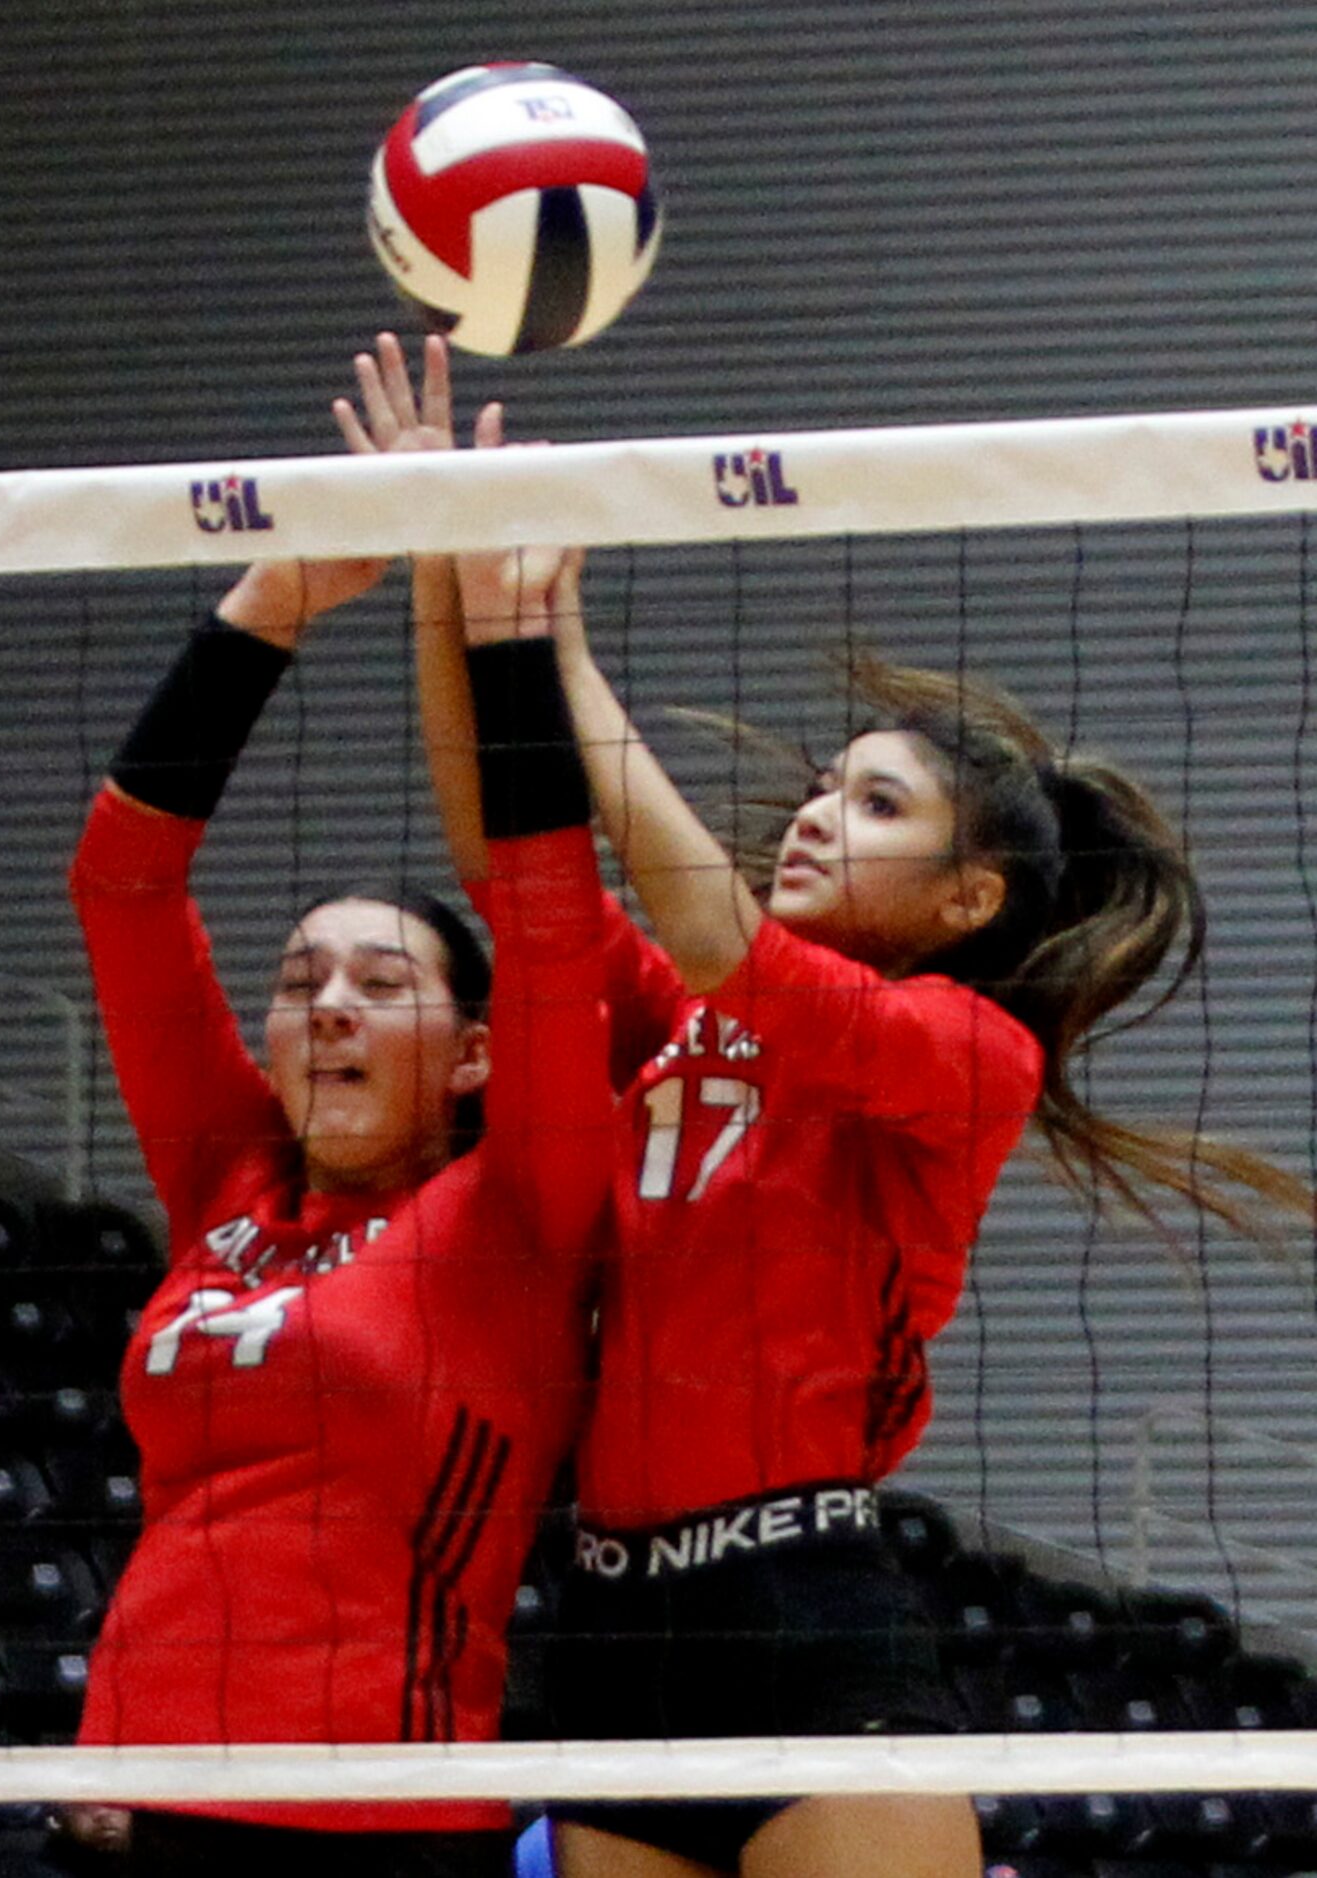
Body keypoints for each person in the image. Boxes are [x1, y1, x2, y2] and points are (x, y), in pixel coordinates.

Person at [381, 332, 1313, 1878]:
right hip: (614, 1616)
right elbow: (505, 857)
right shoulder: (683, 1018)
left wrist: (556, 651)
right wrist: (442, 578)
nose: (815, 805)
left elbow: (725, 942)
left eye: (876, 802)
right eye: (825, 778)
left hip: (803, 1604)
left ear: (968, 899)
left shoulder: (963, 1055)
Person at [65, 399, 615, 1876]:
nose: (327, 1008)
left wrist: (504, 637)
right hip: (153, 1802)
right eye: (299, 981)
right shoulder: (227, 1180)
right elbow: (122, 880)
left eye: (382, 984)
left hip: (373, 1820)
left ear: (476, 1052)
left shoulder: (519, 1208)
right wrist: (281, 592)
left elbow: (555, 925)